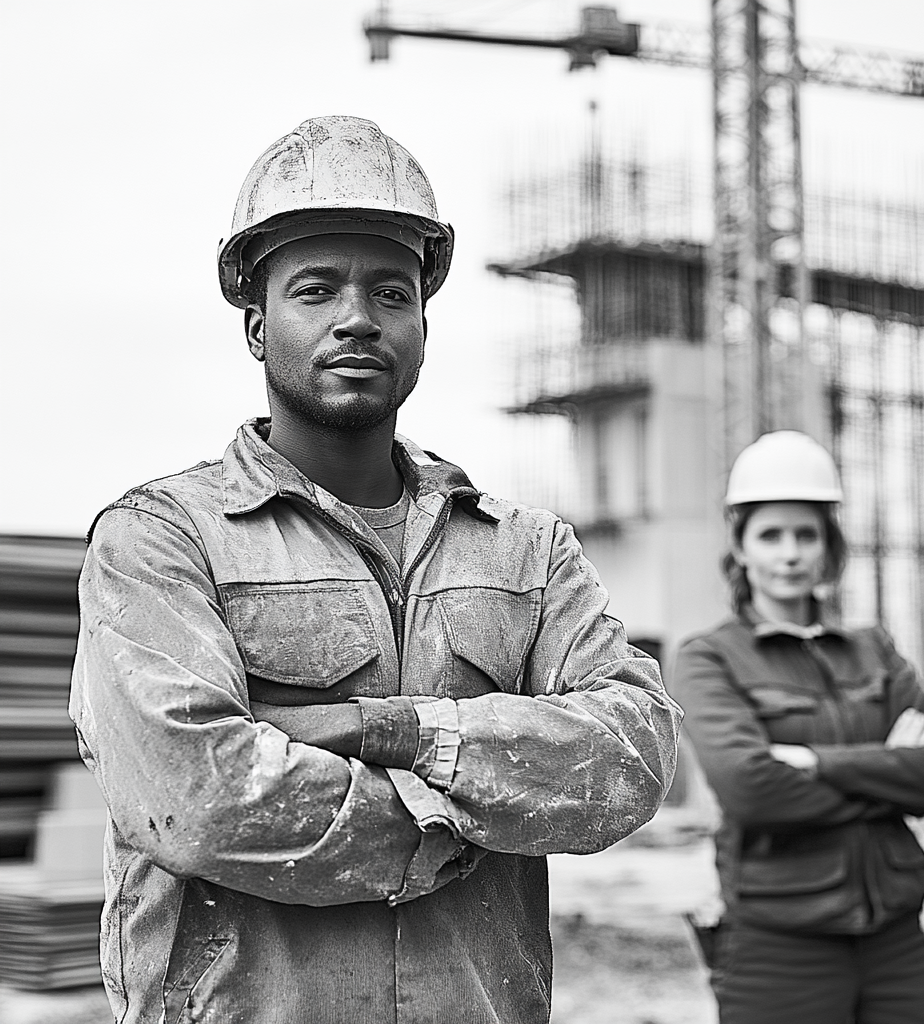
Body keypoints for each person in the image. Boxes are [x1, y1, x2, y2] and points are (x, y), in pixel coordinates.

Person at [69, 115, 682, 1024]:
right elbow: (198, 797)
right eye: (316, 289)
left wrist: (393, 731)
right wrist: (464, 816)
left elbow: (631, 755)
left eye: (390, 292)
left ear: (423, 327)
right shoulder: (162, 540)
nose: (358, 317)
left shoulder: (524, 551)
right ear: (255, 322)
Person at [676, 430, 924, 1024]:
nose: (790, 554)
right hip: (780, 947)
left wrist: (818, 762)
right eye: (770, 535)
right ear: (740, 547)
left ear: (828, 546)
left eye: (806, 535)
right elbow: (751, 790)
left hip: (896, 938)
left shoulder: (872, 648)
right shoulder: (708, 657)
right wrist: (888, 775)